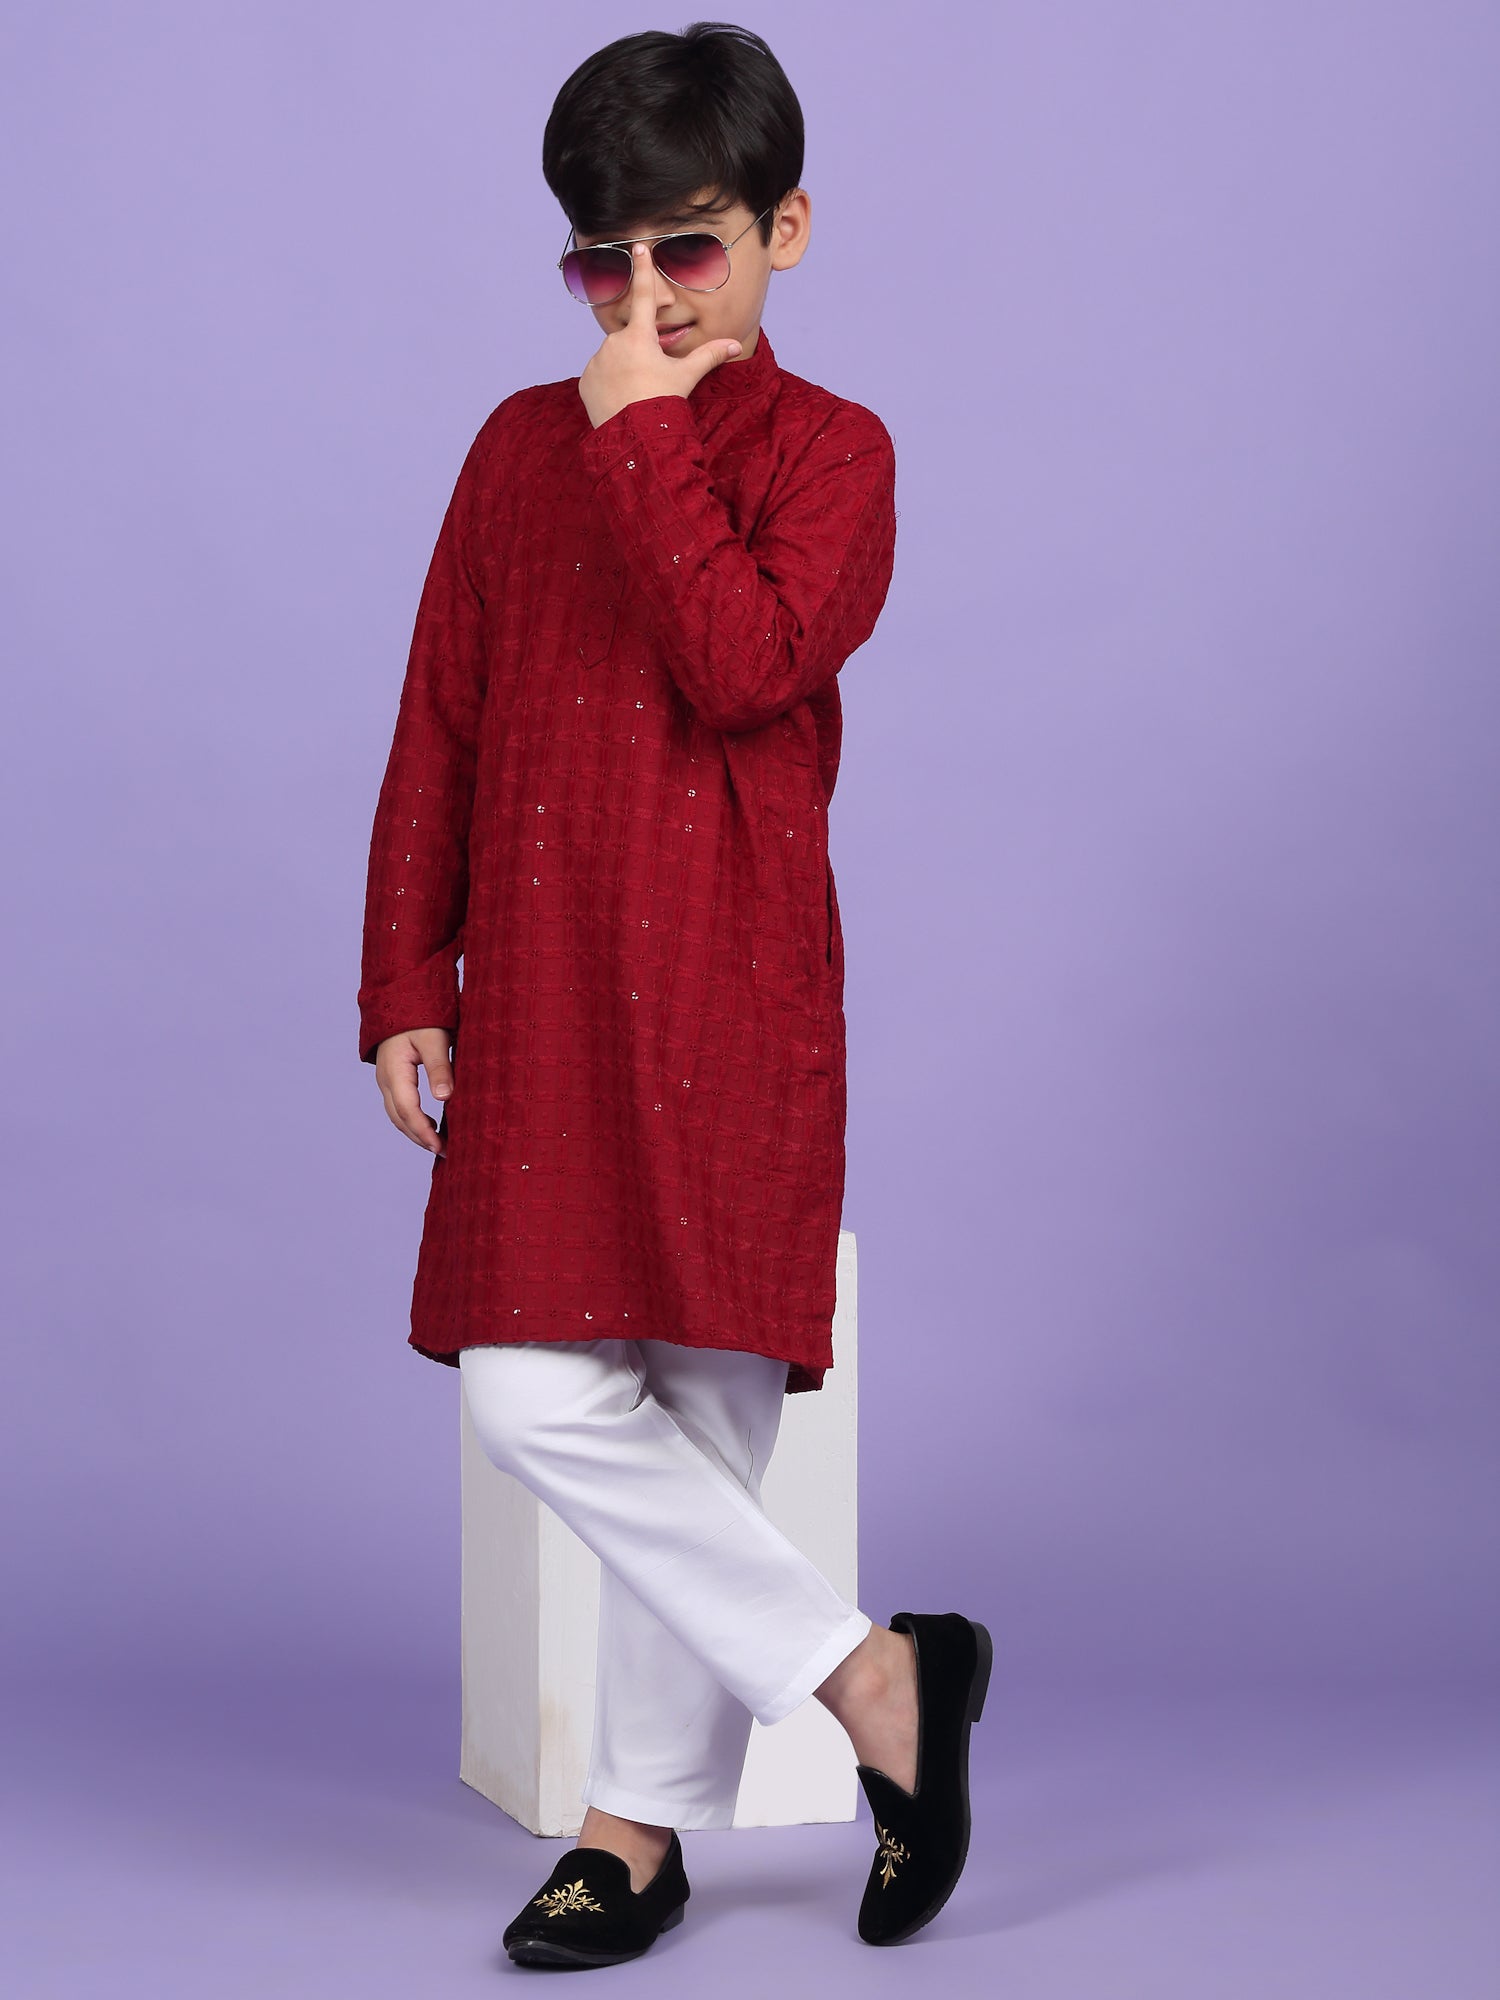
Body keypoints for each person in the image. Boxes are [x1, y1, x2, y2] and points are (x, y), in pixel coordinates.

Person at [357, 21, 990, 1968]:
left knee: (705, 1422)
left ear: (784, 230)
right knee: (536, 1395)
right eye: (603, 266)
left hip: (731, 989)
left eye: (688, 250)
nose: (645, 302)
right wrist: (406, 971)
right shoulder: (511, 449)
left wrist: (639, 432)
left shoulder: (835, 454)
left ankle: (632, 1840)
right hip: (549, 990)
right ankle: (877, 1681)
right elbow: (441, 716)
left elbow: (742, 662)